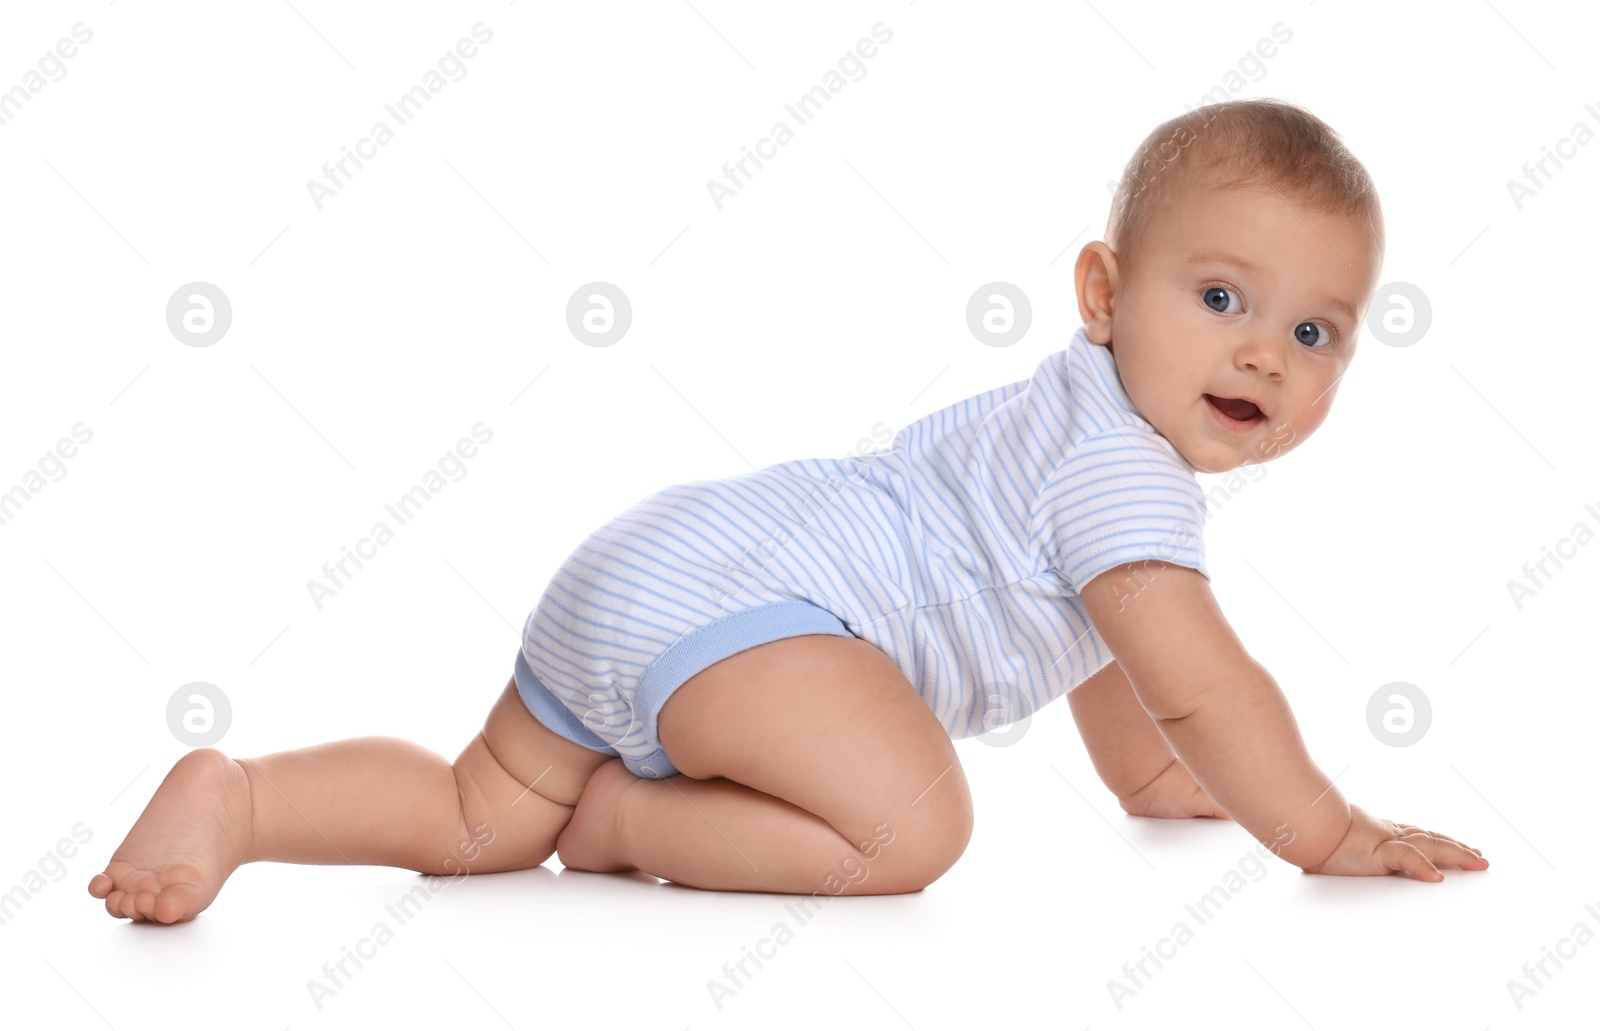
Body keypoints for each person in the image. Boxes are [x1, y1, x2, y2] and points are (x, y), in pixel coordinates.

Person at [89, 97, 1486, 924]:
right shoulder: (1124, 477)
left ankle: (245, 797)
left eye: (1319, 334)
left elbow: (1111, 651)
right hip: (754, 624)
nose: (1263, 353)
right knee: (910, 831)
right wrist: (1319, 827)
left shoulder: (1070, 418)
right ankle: (631, 826)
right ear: (1104, 293)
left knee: (478, 816)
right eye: (1224, 298)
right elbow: (1198, 681)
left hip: (655, 569)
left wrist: (1146, 782)